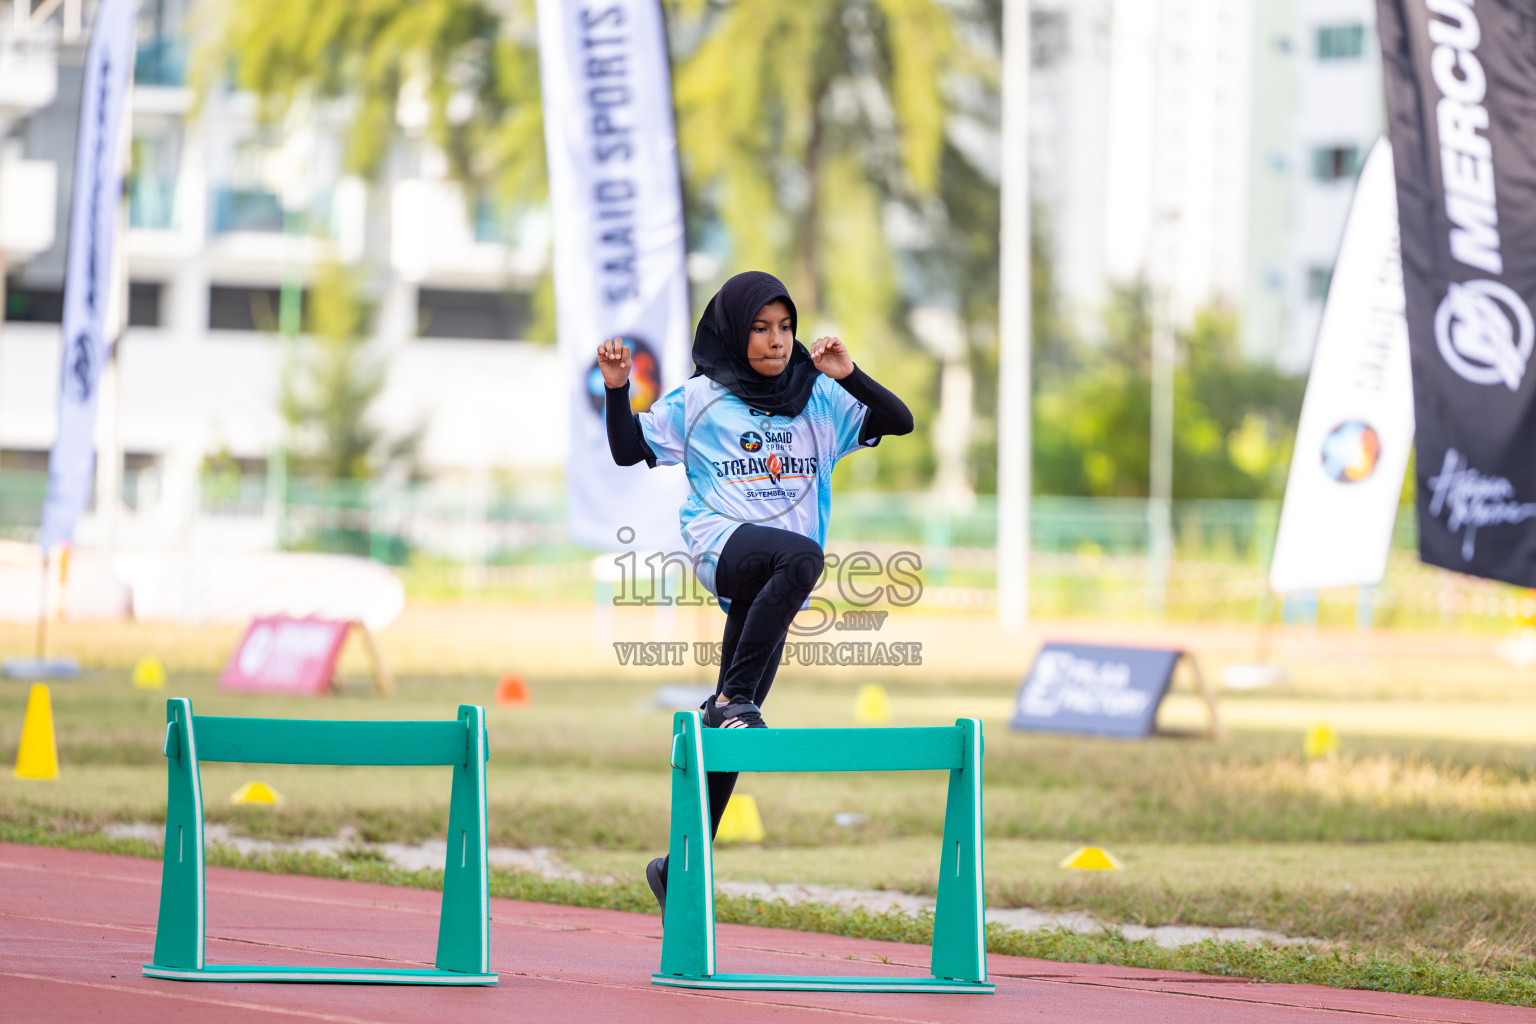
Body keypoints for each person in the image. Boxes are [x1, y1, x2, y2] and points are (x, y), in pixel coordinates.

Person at [598, 270, 913, 910]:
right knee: (800, 562)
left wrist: (848, 373)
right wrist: (617, 389)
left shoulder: (820, 398)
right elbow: (629, 451)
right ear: (733, 334)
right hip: (721, 545)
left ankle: (679, 863)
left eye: (785, 328)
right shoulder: (699, 400)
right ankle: (732, 697)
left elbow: (899, 421)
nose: (775, 341)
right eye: (760, 329)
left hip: (779, 580)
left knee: (729, 730)